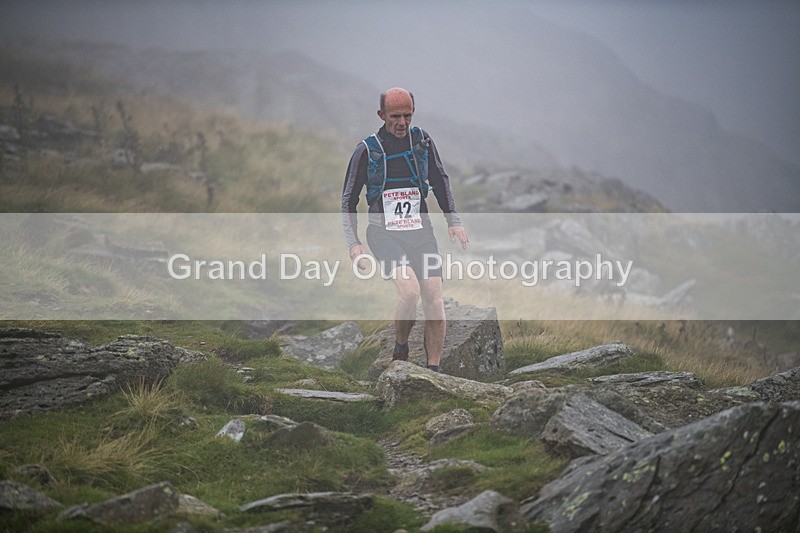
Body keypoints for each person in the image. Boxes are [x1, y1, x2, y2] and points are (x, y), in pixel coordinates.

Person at [342, 87, 469, 372]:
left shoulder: (422, 141)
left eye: (407, 116)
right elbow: (349, 198)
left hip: (421, 232)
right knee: (410, 292)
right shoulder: (367, 150)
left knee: (434, 296)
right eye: (395, 116)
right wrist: (354, 242)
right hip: (383, 233)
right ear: (381, 115)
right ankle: (401, 347)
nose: (402, 123)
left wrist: (454, 221)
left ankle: (433, 371)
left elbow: (440, 179)